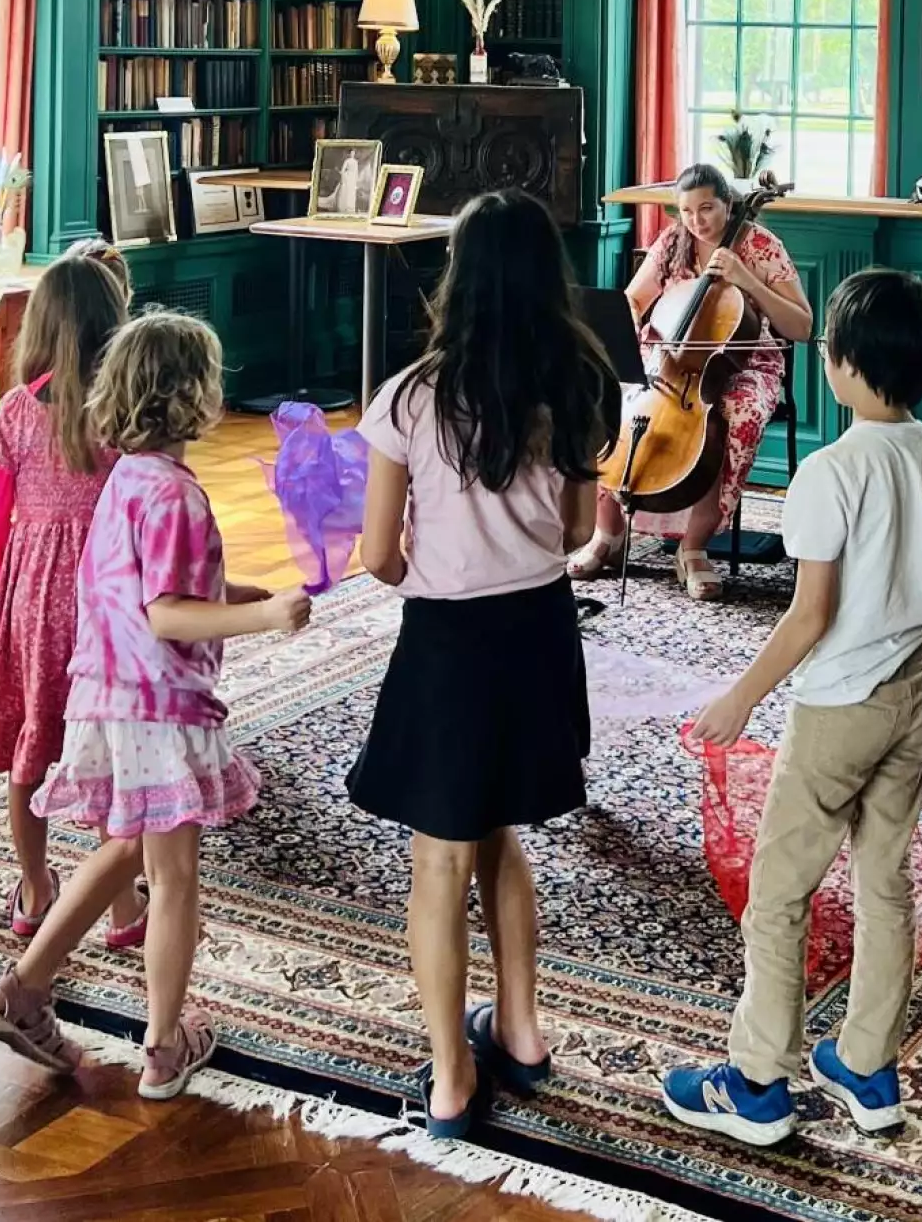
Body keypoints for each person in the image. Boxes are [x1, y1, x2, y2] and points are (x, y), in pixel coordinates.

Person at [0, 311, 310, 1100]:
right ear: (194, 395)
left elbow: (144, 585)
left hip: (106, 692)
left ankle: (21, 991)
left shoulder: (126, 477)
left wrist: (226, 592)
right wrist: (263, 616)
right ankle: (163, 1045)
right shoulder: (177, 496)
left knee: (125, 846)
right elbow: (167, 615)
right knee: (176, 874)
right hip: (158, 705)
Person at [661, 268, 922, 1144]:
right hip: (915, 692)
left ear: (848, 366)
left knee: (780, 896)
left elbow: (811, 614)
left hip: (838, 708)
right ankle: (867, 1065)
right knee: (884, 883)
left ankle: (757, 1082)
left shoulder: (831, 472)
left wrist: (739, 700)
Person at [345, 190, 620, 1139]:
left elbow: (378, 554)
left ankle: (453, 1080)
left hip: (449, 643)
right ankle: (525, 1030)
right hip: (540, 630)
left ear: (456, 278)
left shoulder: (411, 396)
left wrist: (431, 554)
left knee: (438, 861)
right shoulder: (582, 381)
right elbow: (582, 531)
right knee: (501, 832)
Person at [0, 251, 143, 947]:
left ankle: (35, 889)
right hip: (110, 596)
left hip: (34, 597)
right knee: (108, 747)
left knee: (32, 740)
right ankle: (124, 908)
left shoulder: (13, 411)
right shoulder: (127, 412)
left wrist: (10, 587)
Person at [570, 162, 813, 601]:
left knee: (732, 414)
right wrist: (629, 328)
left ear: (728, 204)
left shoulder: (759, 245)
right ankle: (608, 532)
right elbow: (634, 300)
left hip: (744, 362)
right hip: (667, 359)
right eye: (686, 211)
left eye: (707, 209)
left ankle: (694, 547)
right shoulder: (673, 242)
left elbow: (800, 326)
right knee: (607, 400)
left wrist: (744, 280)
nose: (697, 221)